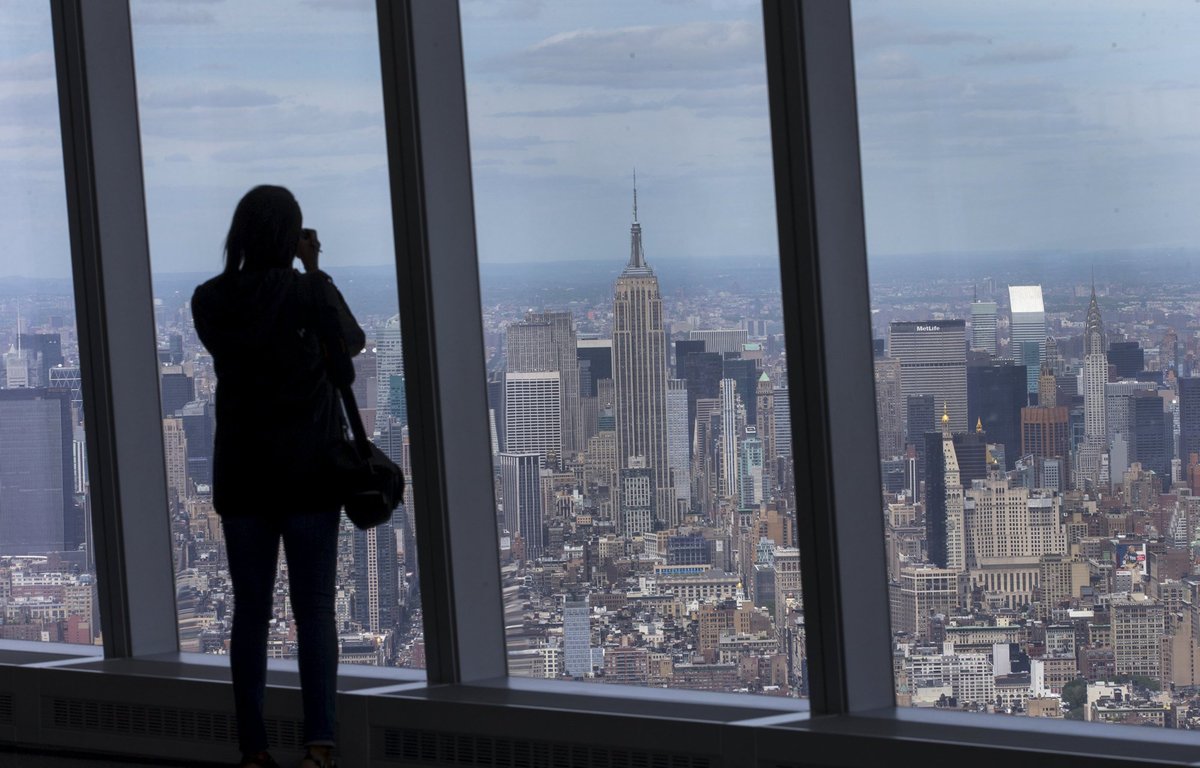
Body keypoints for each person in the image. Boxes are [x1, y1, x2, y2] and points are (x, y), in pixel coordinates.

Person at [192, 185, 364, 768]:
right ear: (291, 236)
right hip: (311, 471)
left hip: (243, 475)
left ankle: (254, 749)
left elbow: (237, 344)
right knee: (313, 608)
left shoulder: (208, 301)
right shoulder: (306, 291)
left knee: (250, 610)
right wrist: (312, 269)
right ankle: (320, 744)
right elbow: (353, 341)